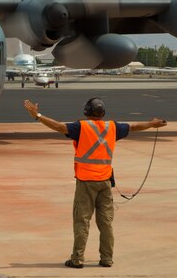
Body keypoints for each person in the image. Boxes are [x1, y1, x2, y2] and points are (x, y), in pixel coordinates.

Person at [23, 97, 167, 268]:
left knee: (82, 221)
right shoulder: (112, 127)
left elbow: (59, 126)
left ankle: (77, 259)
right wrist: (152, 123)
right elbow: (134, 127)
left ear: (86, 112)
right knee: (105, 222)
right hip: (105, 182)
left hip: (86, 182)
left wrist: (37, 115)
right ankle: (107, 259)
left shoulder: (81, 127)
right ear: (103, 113)